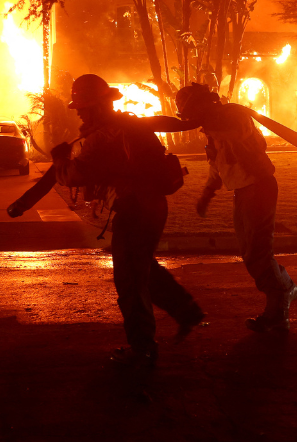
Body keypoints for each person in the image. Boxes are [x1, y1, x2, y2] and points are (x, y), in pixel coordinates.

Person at [51, 74, 204, 369]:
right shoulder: (126, 125)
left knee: (130, 280)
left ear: (97, 105)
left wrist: (60, 160)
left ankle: (143, 348)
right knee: (143, 266)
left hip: (137, 209)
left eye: (82, 107)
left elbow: (75, 174)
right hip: (150, 206)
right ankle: (186, 311)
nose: (79, 112)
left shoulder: (104, 134)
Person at [174, 82, 297, 334]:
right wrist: (207, 194)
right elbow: (218, 164)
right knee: (250, 252)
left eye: (192, 112)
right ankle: (285, 287)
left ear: (201, 105)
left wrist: (208, 124)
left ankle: (278, 309)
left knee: (258, 253)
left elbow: (237, 134)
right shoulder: (213, 128)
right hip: (243, 191)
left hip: (258, 187)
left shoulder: (233, 115)